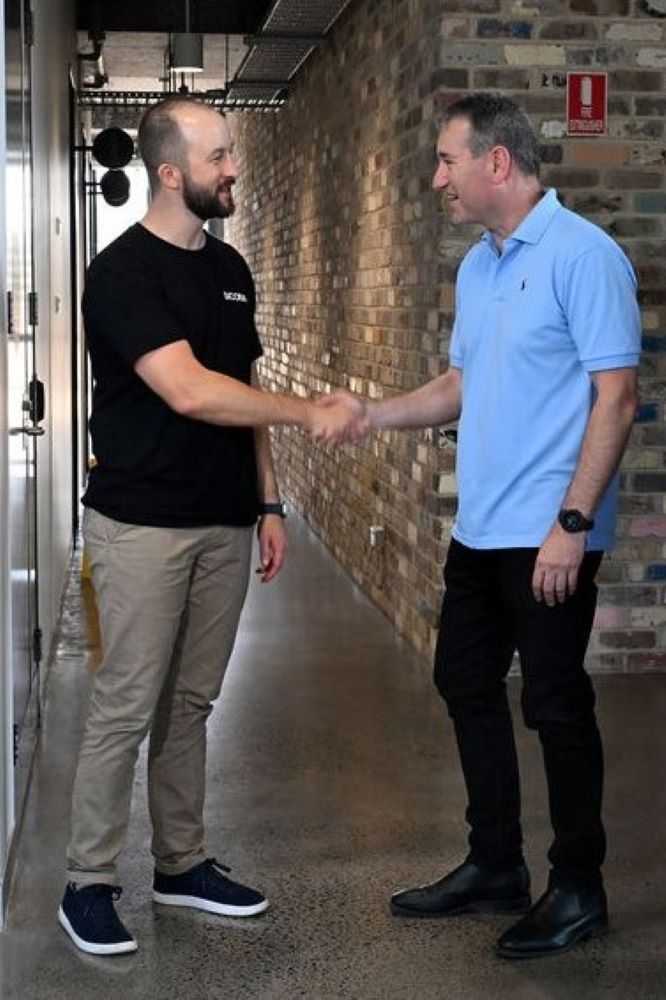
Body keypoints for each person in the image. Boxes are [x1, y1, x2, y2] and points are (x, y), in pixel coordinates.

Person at [336, 93, 640, 958]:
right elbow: (458, 386)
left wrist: (574, 523)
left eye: (447, 161)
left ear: (496, 162)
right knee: (463, 682)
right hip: (481, 529)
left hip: (550, 532)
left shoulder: (586, 258)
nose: (438, 178)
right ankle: (495, 864)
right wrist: (373, 414)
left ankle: (580, 886)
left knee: (555, 705)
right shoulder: (480, 264)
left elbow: (616, 398)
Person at [58, 96, 360, 956]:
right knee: (127, 704)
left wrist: (268, 504)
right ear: (168, 172)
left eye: (230, 152)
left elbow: (240, 397)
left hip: (226, 523)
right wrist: (312, 412)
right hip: (142, 525)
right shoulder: (120, 274)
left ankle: (181, 864)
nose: (233, 168)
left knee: (191, 702)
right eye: (219, 156)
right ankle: (88, 879)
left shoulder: (231, 269)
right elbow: (190, 390)